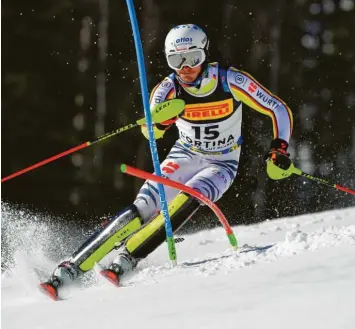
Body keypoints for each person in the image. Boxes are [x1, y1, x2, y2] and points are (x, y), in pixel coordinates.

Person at [41, 24, 294, 298]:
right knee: (143, 207)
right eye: (176, 60)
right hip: (184, 155)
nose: (185, 68)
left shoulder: (230, 81)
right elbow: (151, 130)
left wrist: (278, 148)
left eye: (192, 59)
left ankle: (128, 258)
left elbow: (277, 108)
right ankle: (70, 268)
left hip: (221, 163)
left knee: (187, 199)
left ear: (205, 54)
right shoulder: (167, 89)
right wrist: (158, 122)